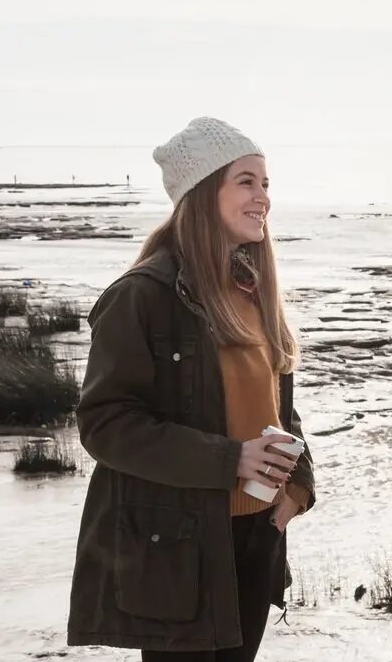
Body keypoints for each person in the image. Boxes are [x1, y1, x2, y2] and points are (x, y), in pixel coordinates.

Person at [68, 117, 315, 662]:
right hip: (179, 550)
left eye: (266, 184)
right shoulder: (141, 297)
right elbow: (105, 425)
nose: (263, 198)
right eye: (246, 182)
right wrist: (230, 460)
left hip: (256, 536)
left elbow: (281, 414)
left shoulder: (253, 289)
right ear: (203, 193)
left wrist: (295, 492)